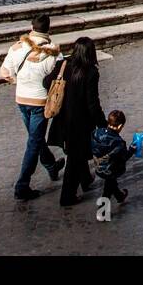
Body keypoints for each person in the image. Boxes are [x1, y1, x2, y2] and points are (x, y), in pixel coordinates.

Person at [0, 18, 65, 200]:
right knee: (34, 142)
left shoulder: (16, 48)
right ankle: (22, 186)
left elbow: (4, 73)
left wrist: (17, 82)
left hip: (21, 99)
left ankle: (51, 165)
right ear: (48, 29)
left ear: (31, 28)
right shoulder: (54, 53)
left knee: (35, 139)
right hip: (39, 103)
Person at [46, 36, 106, 207]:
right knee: (74, 158)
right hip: (80, 123)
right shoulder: (91, 72)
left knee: (76, 154)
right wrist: (103, 124)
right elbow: (92, 103)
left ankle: (86, 180)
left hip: (62, 119)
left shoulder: (62, 65)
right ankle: (67, 197)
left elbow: (46, 82)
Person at [91, 109, 134, 205]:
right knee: (107, 189)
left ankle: (120, 196)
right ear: (119, 126)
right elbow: (123, 158)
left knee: (111, 182)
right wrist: (131, 150)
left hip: (98, 167)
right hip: (111, 169)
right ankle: (102, 211)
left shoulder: (97, 133)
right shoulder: (118, 143)